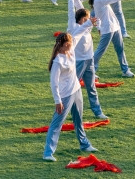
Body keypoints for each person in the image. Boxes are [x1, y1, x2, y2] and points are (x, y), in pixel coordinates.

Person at [42, 27, 98, 162]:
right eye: (67, 44)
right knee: (57, 123)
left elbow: (79, 33)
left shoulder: (71, 51)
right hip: (65, 96)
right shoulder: (57, 62)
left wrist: (90, 22)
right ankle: (48, 152)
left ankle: (84, 144)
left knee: (79, 119)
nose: (70, 45)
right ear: (60, 46)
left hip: (76, 90)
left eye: (70, 43)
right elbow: (54, 83)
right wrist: (58, 101)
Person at [66, 0, 107, 119]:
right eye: (87, 18)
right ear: (82, 19)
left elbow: (80, 8)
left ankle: (97, 111)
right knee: (72, 89)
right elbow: (72, 11)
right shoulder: (73, 27)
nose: (90, 20)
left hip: (89, 60)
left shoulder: (87, 27)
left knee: (91, 88)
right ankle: (68, 111)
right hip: (78, 62)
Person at [89, 0, 135, 78]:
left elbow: (98, 16)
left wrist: (98, 27)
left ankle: (125, 70)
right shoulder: (98, 0)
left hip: (115, 27)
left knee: (120, 49)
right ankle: (90, 71)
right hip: (107, 29)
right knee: (100, 51)